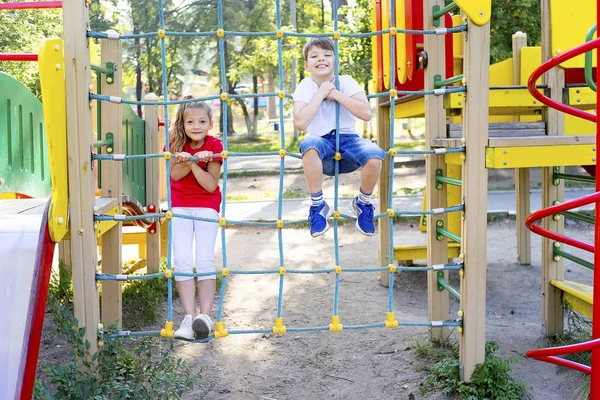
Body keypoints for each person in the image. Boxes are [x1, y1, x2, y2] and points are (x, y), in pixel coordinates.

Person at [293, 37, 384, 237]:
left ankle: (363, 203)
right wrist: (321, 93)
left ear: (335, 61)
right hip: (321, 144)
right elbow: (300, 122)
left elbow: (366, 113)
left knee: (376, 154)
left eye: (327, 54)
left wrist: (334, 94)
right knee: (308, 144)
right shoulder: (305, 86)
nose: (321, 59)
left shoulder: (346, 81)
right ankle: (318, 205)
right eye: (314, 56)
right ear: (307, 65)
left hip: (349, 140)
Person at [168, 96, 223, 340]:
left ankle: (205, 317)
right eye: (190, 121)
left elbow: (211, 185)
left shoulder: (216, 145)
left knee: (203, 259)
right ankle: (189, 318)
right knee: (181, 259)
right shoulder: (176, 143)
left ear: (210, 123)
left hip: (206, 206)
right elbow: (176, 175)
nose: (196, 126)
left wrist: (196, 162)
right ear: (183, 123)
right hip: (180, 206)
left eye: (202, 121)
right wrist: (192, 160)